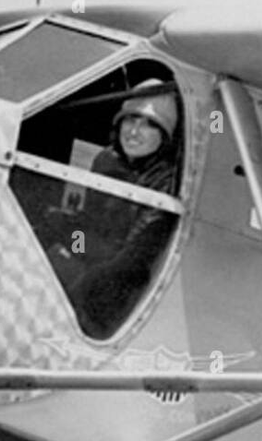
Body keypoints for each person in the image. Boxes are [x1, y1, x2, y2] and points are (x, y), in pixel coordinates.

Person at [69, 80, 181, 338]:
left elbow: (135, 256)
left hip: (124, 287)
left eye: (149, 124)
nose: (134, 132)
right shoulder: (105, 160)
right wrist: (74, 251)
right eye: (130, 120)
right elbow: (85, 225)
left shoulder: (167, 180)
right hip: (94, 262)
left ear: (165, 135)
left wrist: (83, 279)